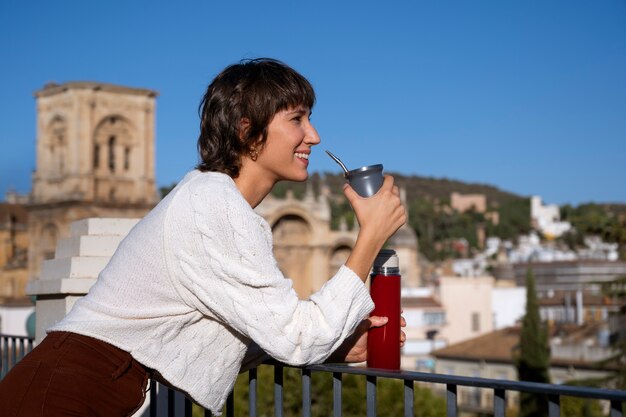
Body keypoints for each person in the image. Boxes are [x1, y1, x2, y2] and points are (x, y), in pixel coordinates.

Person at [0, 58, 406, 416]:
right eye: (297, 119)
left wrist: (334, 346)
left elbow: (244, 329)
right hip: (61, 397)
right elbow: (296, 338)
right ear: (248, 131)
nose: (313, 136)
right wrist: (369, 237)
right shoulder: (214, 205)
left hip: (79, 390)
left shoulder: (213, 199)